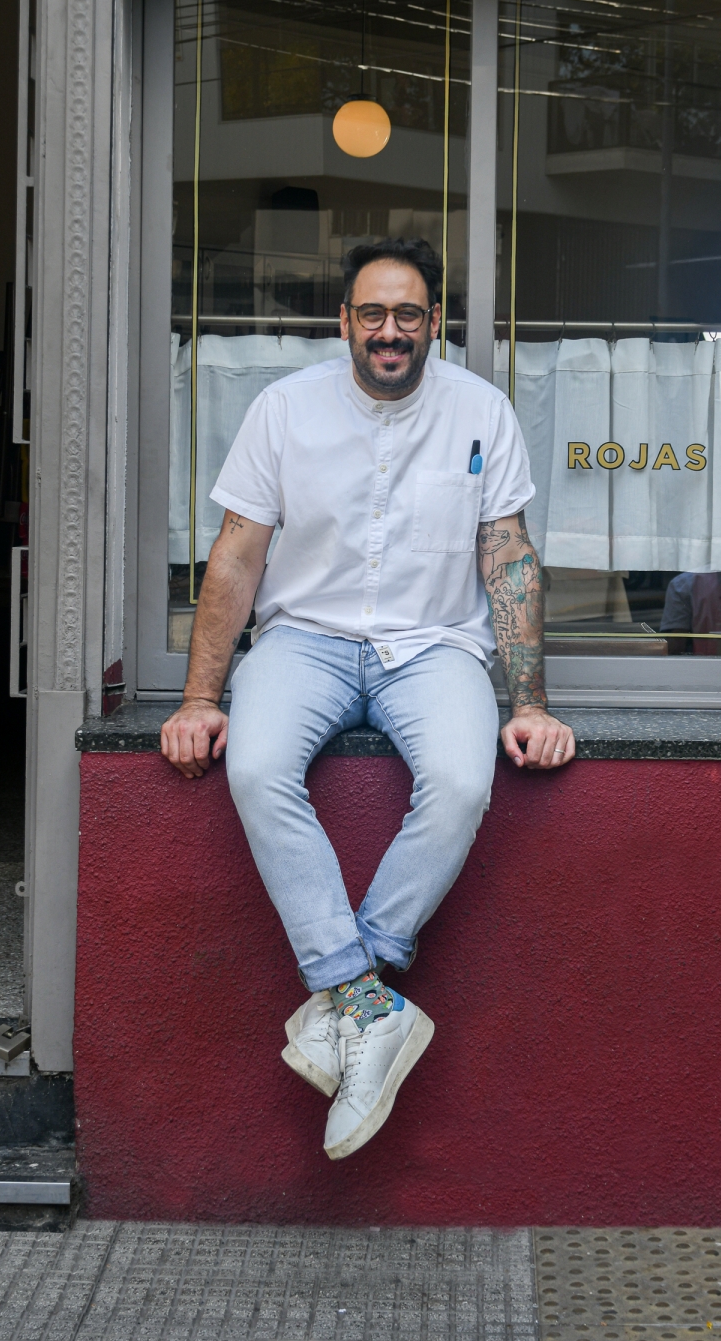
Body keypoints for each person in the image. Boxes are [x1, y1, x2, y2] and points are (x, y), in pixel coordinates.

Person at [160, 237, 574, 1161]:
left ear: (435, 323)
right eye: (374, 314)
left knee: (462, 783)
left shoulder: (482, 410)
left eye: (409, 314)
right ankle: (367, 1002)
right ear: (344, 321)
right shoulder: (284, 409)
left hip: (433, 648)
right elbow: (236, 554)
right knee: (257, 767)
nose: (392, 331)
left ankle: (353, 990)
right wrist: (198, 697)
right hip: (303, 640)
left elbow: (507, 556)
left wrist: (530, 704)